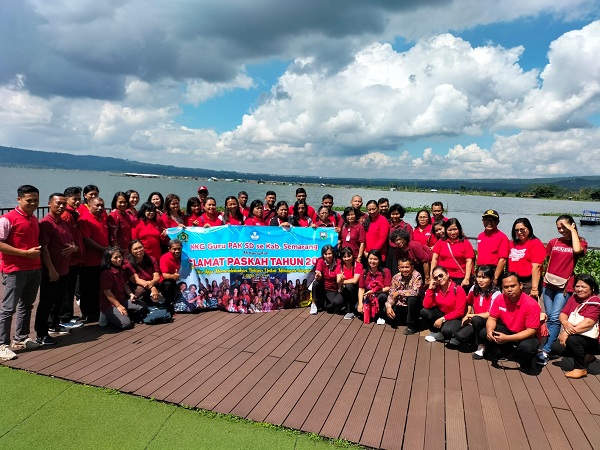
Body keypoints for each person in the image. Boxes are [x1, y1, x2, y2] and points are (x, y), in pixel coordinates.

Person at [538, 215, 587, 366]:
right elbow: (544, 260)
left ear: (571, 225)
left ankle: (545, 350)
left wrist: (572, 230)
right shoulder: (554, 241)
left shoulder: (580, 242)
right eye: (558, 228)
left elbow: (577, 250)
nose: (561, 230)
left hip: (565, 286)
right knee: (549, 316)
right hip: (548, 284)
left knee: (555, 317)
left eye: (563, 227)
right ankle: (544, 346)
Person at [0, 185, 42, 360]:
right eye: (29, 200)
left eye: (36, 200)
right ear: (19, 199)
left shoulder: (33, 219)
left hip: (34, 268)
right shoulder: (7, 219)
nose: (33, 203)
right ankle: (2, 344)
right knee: (8, 308)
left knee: (26, 305)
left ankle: (21, 338)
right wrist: (24, 253)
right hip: (14, 270)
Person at [35, 193, 78, 345]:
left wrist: (73, 247)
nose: (61, 206)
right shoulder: (46, 223)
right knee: (46, 302)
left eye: (64, 204)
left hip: (64, 269)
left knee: (58, 300)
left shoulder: (63, 222)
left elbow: (72, 241)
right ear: (49, 204)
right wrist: (51, 269)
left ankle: (54, 324)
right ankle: (41, 333)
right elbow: (44, 248)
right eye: (58, 203)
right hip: (51, 271)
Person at [486, 272, 541, 371]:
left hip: (527, 335)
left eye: (512, 286)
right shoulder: (500, 298)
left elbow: (531, 331)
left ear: (520, 285)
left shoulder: (532, 304)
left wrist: (507, 338)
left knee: (527, 347)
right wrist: (489, 330)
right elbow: (492, 318)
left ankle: (526, 363)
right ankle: (506, 352)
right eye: (506, 287)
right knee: (485, 332)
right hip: (508, 329)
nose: (509, 290)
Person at [551, 274, 600, 379]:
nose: (579, 289)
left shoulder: (595, 301)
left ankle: (580, 368)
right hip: (580, 334)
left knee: (572, 340)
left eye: (583, 287)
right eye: (577, 286)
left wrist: (566, 332)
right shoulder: (574, 298)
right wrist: (565, 323)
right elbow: (563, 313)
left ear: (592, 288)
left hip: (596, 339)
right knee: (556, 347)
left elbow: (588, 323)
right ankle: (588, 355)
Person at [454, 265, 501, 359]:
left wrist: (471, 315)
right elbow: (469, 303)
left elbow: (490, 314)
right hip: (475, 320)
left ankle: (482, 346)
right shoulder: (474, 288)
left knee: (477, 323)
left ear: (491, 279)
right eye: (479, 277)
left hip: (489, 322)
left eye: (484, 277)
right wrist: (467, 315)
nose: (480, 280)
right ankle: (477, 340)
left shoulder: (496, 293)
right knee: (460, 336)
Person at [99, 247, 147, 330]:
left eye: (120, 256)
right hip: (110, 304)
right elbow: (107, 292)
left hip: (121, 299)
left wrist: (131, 294)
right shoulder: (106, 273)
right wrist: (119, 306)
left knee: (142, 306)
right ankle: (106, 315)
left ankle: (124, 314)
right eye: (115, 258)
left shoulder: (121, 268)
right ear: (109, 259)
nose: (119, 259)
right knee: (126, 324)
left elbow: (124, 284)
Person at [79, 196, 110, 322]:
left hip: (102, 260)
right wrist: (102, 249)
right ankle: (88, 314)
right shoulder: (85, 219)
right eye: (97, 205)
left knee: (99, 287)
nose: (100, 208)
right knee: (88, 289)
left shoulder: (103, 218)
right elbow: (86, 239)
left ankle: (98, 311)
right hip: (89, 261)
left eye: (102, 205)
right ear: (89, 205)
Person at [59, 186, 86, 326]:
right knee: (67, 290)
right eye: (74, 199)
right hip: (70, 259)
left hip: (75, 258)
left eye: (79, 199)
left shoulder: (73, 215)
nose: (77, 202)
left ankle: (67, 315)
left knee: (69, 288)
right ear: (66, 199)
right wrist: (74, 248)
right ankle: (64, 318)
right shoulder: (66, 215)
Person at [420, 265, 466, 342]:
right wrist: (430, 289)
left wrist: (443, 319)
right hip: (442, 313)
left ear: (447, 274)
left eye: (441, 275)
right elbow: (426, 305)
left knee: (447, 331)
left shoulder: (458, 289)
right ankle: (436, 332)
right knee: (424, 312)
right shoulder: (436, 289)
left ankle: (451, 334)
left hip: (455, 317)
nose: (439, 279)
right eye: (436, 277)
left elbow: (460, 312)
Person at [430, 218, 474, 292]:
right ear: (446, 230)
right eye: (449, 230)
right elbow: (434, 259)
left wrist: (466, 278)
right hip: (442, 277)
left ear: (459, 229)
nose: (452, 233)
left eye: (455, 229)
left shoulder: (465, 243)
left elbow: (469, 261)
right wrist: (432, 276)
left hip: (460, 277)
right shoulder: (441, 242)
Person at [384, 258, 423, 335]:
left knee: (412, 299)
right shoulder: (396, 277)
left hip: (413, 305)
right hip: (400, 304)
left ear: (412, 267)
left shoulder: (417, 276)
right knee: (386, 311)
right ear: (398, 268)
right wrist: (389, 307)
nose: (404, 270)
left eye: (407, 267)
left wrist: (399, 292)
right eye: (402, 267)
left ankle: (411, 326)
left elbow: (415, 292)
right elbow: (392, 293)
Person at [508, 218, 546, 297]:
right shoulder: (512, 243)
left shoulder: (535, 243)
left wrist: (534, 288)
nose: (519, 232)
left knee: (526, 306)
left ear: (529, 229)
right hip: (513, 280)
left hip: (528, 282)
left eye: (522, 230)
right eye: (516, 230)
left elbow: (537, 267)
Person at [125, 240, 164, 308]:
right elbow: (136, 280)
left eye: (140, 247)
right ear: (131, 251)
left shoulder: (151, 259)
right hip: (137, 286)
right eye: (135, 249)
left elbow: (157, 277)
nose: (139, 250)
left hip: (151, 283)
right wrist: (152, 287)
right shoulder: (128, 263)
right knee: (141, 290)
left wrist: (152, 283)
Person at [357, 249, 391, 324]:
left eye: (375, 259)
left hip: (380, 295)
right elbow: (361, 288)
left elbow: (388, 288)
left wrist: (374, 291)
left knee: (382, 297)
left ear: (379, 260)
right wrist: (360, 303)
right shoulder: (364, 272)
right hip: (368, 297)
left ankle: (380, 315)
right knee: (358, 308)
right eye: (370, 258)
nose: (372, 261)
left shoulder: (385, 271)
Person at [477, 210, 510, 285]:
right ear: (483, 221)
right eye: (487, 220)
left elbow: (502, 260)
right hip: (481, 269)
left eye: (492, 220)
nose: (489, 223)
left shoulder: (502, 237)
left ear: (497, 222)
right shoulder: (480, 236)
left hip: (493, 271)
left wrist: (495, 278)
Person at [310, 245, 343, 315]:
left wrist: (340, 284)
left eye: (330, 253)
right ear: (323, 255)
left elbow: (338, 277)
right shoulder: (320, 261)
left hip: (332, 288)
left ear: (333, 253)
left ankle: (324, 304)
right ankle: (313, 304)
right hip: (323, 286)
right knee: (315, 283)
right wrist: (318, 276)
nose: (328, 256)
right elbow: (318, 273)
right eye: (326, 254)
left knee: (334, 306)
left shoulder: (338, 261)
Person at [337, 247, 363, 320]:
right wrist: (340, 281)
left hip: (356, 290)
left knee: (349, 286)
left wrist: (342, 282)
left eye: (349, 256)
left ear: (352, 255)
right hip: (344, 289)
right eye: (344, 257)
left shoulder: (358, 265)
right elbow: (338, 281)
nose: (347, 258)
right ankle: (346, 305)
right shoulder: (340, 266)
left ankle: (350, 310)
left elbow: (355, 281)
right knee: (336, 302)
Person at [387, 204, 414, 272]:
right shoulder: (388, 224)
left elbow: (410, 241)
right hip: (390, 252)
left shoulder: (407, 226)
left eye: (397, 214)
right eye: (393, 214)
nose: (395, 216)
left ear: (401, 214)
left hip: (402, 251)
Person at [363, 200, 390, 264]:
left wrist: (371, 253)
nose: (372, 211)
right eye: (369, 210)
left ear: (377, 208)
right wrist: (364, 251)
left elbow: (382, 239)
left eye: (374, 209)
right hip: (366, 254)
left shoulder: (383, 221)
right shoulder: (366, 221)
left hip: (378, 255)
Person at [159, 239, 183, 307]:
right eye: (174, 249)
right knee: (168, 284)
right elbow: (164, 275)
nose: (177, 251)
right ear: (169, 249)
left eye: (179, 249)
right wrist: (173, 276)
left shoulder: (185, 257)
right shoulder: (164, 258)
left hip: (182, 281)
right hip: (168, 281)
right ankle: (168, 304)